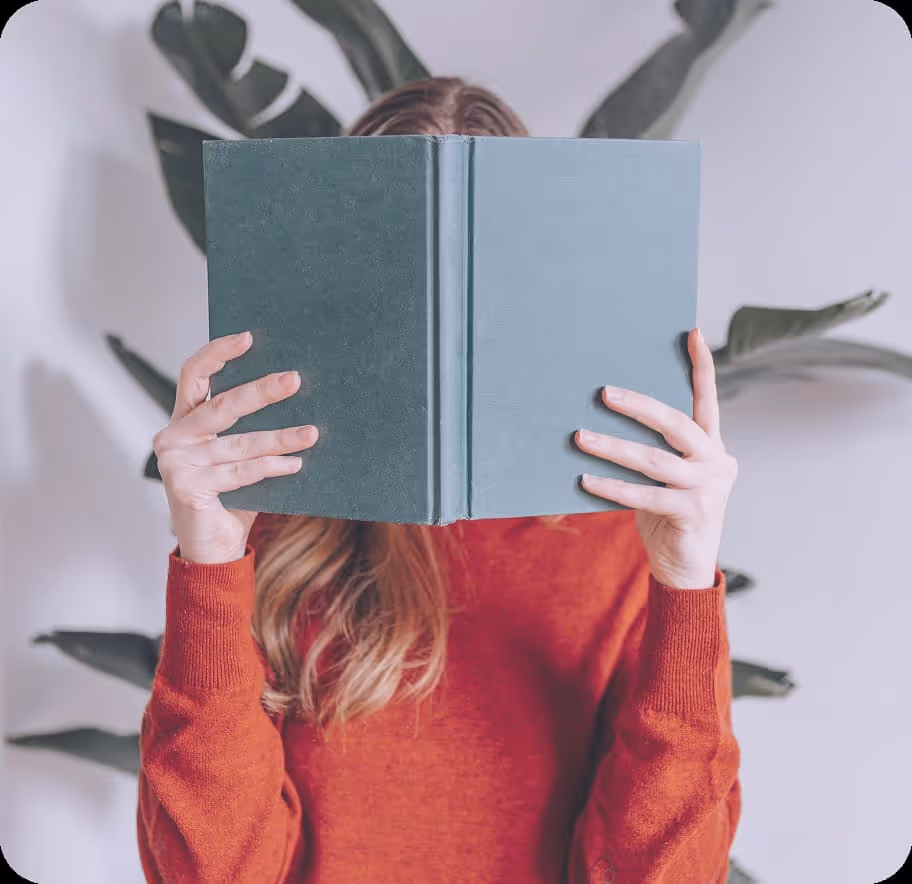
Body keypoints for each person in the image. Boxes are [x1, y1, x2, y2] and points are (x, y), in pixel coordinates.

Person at [137, 77, 741, 884]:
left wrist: (686, 584)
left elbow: (662, 873)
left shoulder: (621, 531)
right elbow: (210, 872)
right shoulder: (267, 533)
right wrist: (209, 567)